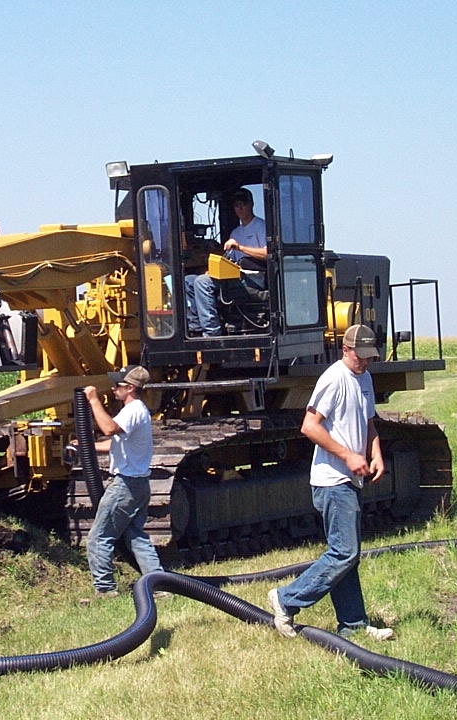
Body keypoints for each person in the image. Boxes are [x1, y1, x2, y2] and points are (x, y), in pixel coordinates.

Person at [267, 325, 394, 641]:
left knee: (347, 555)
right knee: (344, 552)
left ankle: (353, 624)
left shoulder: (364, 378)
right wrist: (348, 455)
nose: (365, 363)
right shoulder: (334, 379)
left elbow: (368, 423)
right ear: (345, 350)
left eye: (370, 357)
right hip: (332, 481)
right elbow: (309, 426)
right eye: (360, 357)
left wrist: (375, 453)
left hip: (351, 481)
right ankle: (286, 599)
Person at [82, 364, 166, 599]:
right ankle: (159, 585)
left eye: (117, 385)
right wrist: (86, 447)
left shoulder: (133, 410)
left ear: (130, 388)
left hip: (125, 486)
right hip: (139, 484)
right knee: (136, 537)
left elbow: (108, 429)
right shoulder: (137, 411)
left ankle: (106, 590)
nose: (113, 388)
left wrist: (93, 400)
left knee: (99, 538)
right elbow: (116, 444)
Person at [185, 187, 268, 337]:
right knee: (189, 280)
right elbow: (230, 260)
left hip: (254, 279)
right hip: (236, 277)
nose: (240, 208)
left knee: (202, 283)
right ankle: (196, 326)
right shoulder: (235, 232)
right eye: (236, 205)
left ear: (251, 204)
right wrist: (214, 271)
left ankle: (212, 333)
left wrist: (240, 247)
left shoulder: (261, 227)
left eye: (243, 204)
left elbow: (268, 253)